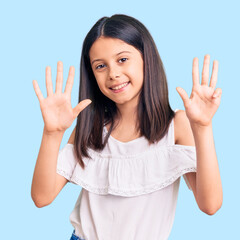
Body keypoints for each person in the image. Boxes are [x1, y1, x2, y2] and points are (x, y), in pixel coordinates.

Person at [31, 14, 223, 240]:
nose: (113, 74)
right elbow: (42, 197)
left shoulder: (176, 126)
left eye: (122, 59)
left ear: (146, 58)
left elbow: (210, 205)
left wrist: (202, 127)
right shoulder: (91, 127)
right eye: (100, 66)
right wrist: (52, 133)